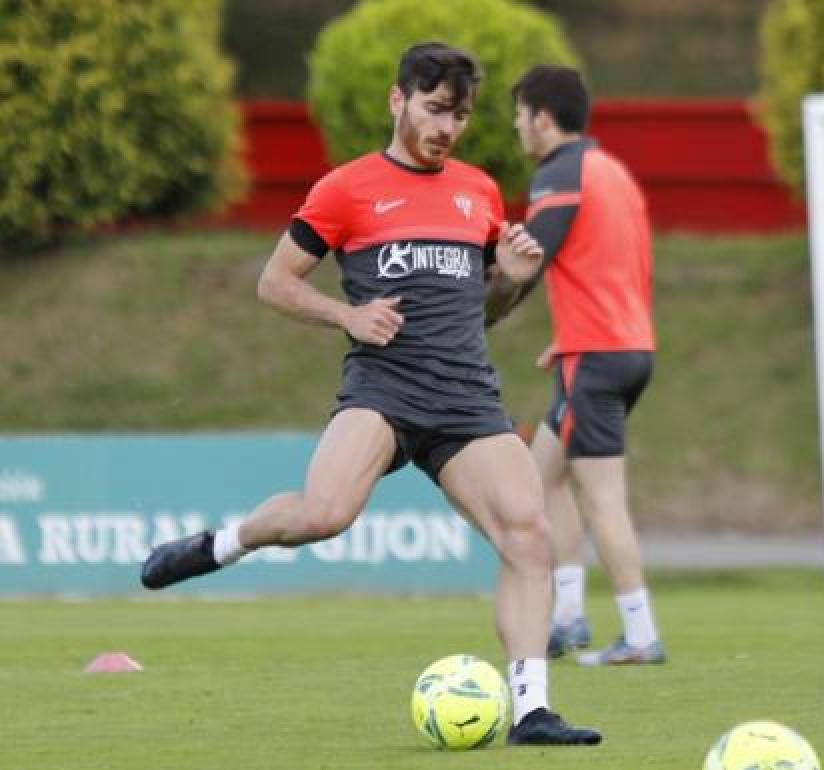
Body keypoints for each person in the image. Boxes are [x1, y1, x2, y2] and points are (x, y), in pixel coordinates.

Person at [139, 42, 602, 746]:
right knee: (322, 515)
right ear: (398, 101)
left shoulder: (476, 191)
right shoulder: (345, 189)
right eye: (436, 109)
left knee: (529, 535)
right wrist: (346, 315)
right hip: (383, 390)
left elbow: (483, 310)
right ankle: (222, 544)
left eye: (463, 115)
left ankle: (533, 711)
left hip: (465, 399)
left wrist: (510, 277)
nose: (448, 128)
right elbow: (276, 283)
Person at [501, 65, 664, 666]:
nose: (517, 128)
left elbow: (529, 260)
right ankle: (567, 617)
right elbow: (617, 264)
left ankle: (641, 633)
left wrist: (475, 294)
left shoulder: (559, 174)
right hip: (623, 346)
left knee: (603, 499)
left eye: (519, 116)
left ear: (543, 118)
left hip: (595, 357)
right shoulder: (611, 171)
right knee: (541, 476)